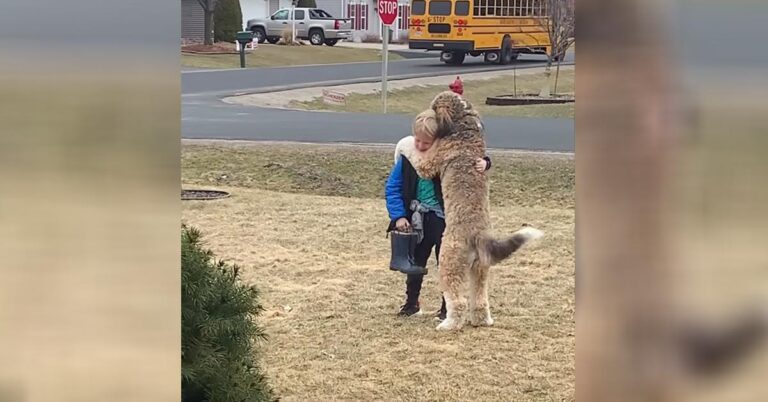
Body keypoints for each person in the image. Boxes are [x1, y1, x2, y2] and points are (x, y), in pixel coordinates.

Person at [384, 109, 491, 318]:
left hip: (444, 221)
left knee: (447, 264)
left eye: (427, 143)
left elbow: (471, 165)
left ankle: (447, 308)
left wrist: (486, 163)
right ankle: (412, 303)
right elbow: (393, 188)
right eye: (418, 141)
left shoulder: (449, 159)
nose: (421, 146)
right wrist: (399, 216)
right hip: (416, 219)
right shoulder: (408, 159)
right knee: (415, 261)